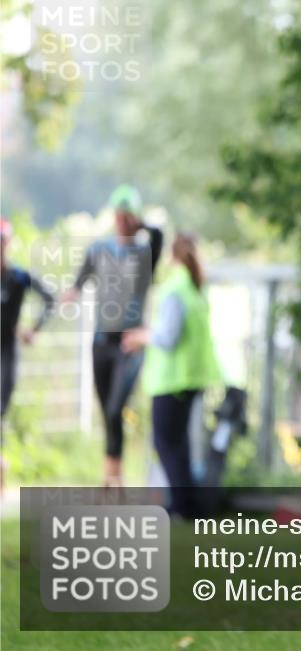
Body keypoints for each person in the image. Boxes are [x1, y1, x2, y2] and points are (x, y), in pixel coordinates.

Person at [63, 184, 163, 488]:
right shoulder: (99, 249)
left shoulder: (145, 252)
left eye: (127, 215)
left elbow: (159, 235)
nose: (122, 220)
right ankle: (111, 477)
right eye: (118, 215)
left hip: (128, 344)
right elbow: (78, 283)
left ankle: (113, 479)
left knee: (114, 406)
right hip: (101, 341)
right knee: (107, 411)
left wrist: (140, 222)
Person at [122, 233, 220, 519]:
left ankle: (181, 505)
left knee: (164, 442)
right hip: (191, 379)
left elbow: (167, 338)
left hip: (172, 380)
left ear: (172, 256)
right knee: (179, 443)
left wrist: (139, 337)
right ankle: (186, 504)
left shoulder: (174, 288)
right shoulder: (195, 288)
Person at [1, 218, 56, 417]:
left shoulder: (19, 276)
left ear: (8, 243)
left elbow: (50, 299)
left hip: (7, 348)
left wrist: (34, 329)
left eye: (1, 241)